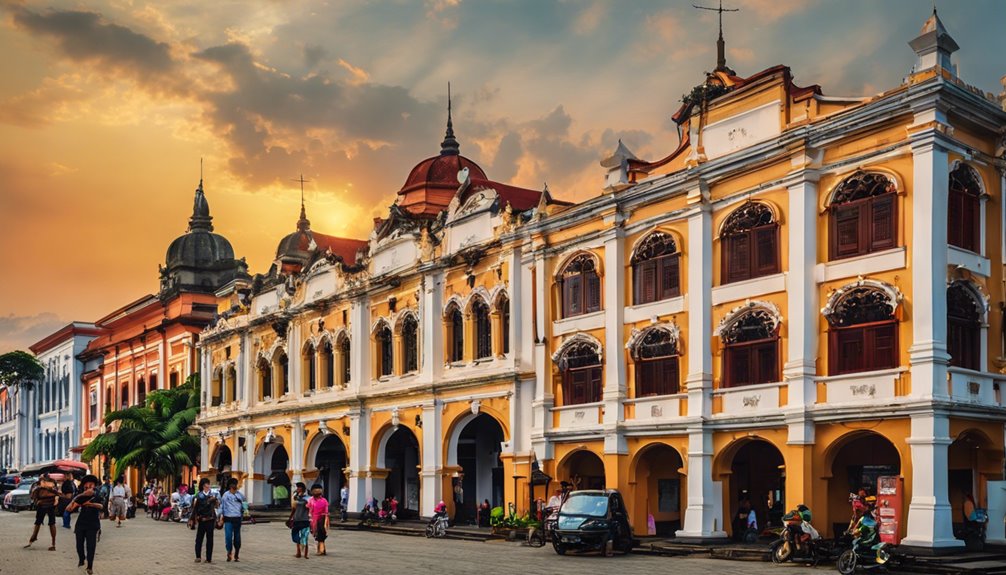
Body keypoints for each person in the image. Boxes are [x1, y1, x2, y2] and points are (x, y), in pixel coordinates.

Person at [67, 474, 105, 575]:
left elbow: (101, 506)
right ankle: (81, 559)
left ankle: (90, 566)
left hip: (93, 523)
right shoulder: (81, 495)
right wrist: (78, 498)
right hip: (81, 523)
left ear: (94, 485)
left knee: (91, 546)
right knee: (79, 545)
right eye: (86, 485)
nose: (88, 486)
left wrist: (90, 504)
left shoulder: (97, 494)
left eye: (91, 484)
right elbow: (69, 508)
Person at [25, 472, 59, 550]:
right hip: (48, 505)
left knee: (40, 522)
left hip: (44, 505)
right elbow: (56, 493)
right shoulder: (51, 483)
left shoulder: (39, 484)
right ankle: (52, 543)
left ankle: (34, 537)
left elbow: (32, 495)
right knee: (49, 523)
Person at [220, 478, 245, 562]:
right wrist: (220, 517)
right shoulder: (225, 495)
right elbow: (222, 507)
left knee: (237, 537)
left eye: (236, 484)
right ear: (230, 486)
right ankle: (229, 551)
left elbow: (244, 505)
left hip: (237, 518)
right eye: (233, 485)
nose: (235, 486)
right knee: (228, 536)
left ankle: (237, 552)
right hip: (228, 518)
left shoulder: (240, 495)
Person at [193, 478, 218, 563]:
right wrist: (194, 519)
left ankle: (208, 558)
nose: (208, 486)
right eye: (207, 484)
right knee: (199, 539)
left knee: (210, 539)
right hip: (202, 520)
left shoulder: (213, 495)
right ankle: (198, 556)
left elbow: (217, 506)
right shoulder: (198, 496)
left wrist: (215, 501)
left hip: (210, 520)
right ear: (203, 486)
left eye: (209, 484)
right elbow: (195, 509)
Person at [287, 482, 311, 559]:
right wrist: (290, 518)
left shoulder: (308, 498)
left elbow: (310, 508)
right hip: (296, 519)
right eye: (297, 488)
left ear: (302, 488)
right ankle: (298, 552)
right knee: (296, 536)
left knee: (305, 536)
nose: (297, 489)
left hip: (305, 519)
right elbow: (293, 509)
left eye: (299, 487)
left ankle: (306, 554)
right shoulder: (295, 497)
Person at [307, 484, 330, 556]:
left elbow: (308, 508)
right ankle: (320, 549)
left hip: (319, 519)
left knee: (320, 535)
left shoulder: (312, 500)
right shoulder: (324, 500)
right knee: (319, 535)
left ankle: (322, 550)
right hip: (317, 519)